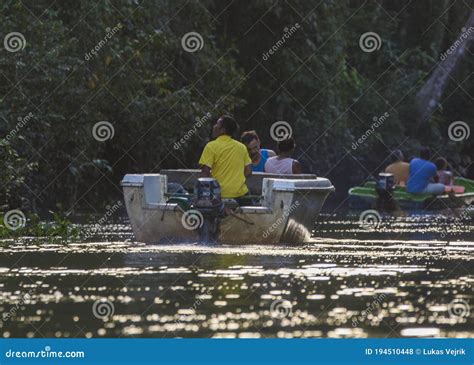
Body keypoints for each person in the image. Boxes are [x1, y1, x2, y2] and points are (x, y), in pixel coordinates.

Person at [198, 115, 252, 202]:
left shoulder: (211, 146)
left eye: (217, 124)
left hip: (219, 195)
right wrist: (235, 180)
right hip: (240, 195)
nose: (214, 126)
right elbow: (248, 171)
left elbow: (205, 173)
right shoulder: (241, 147)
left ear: (223, 130)